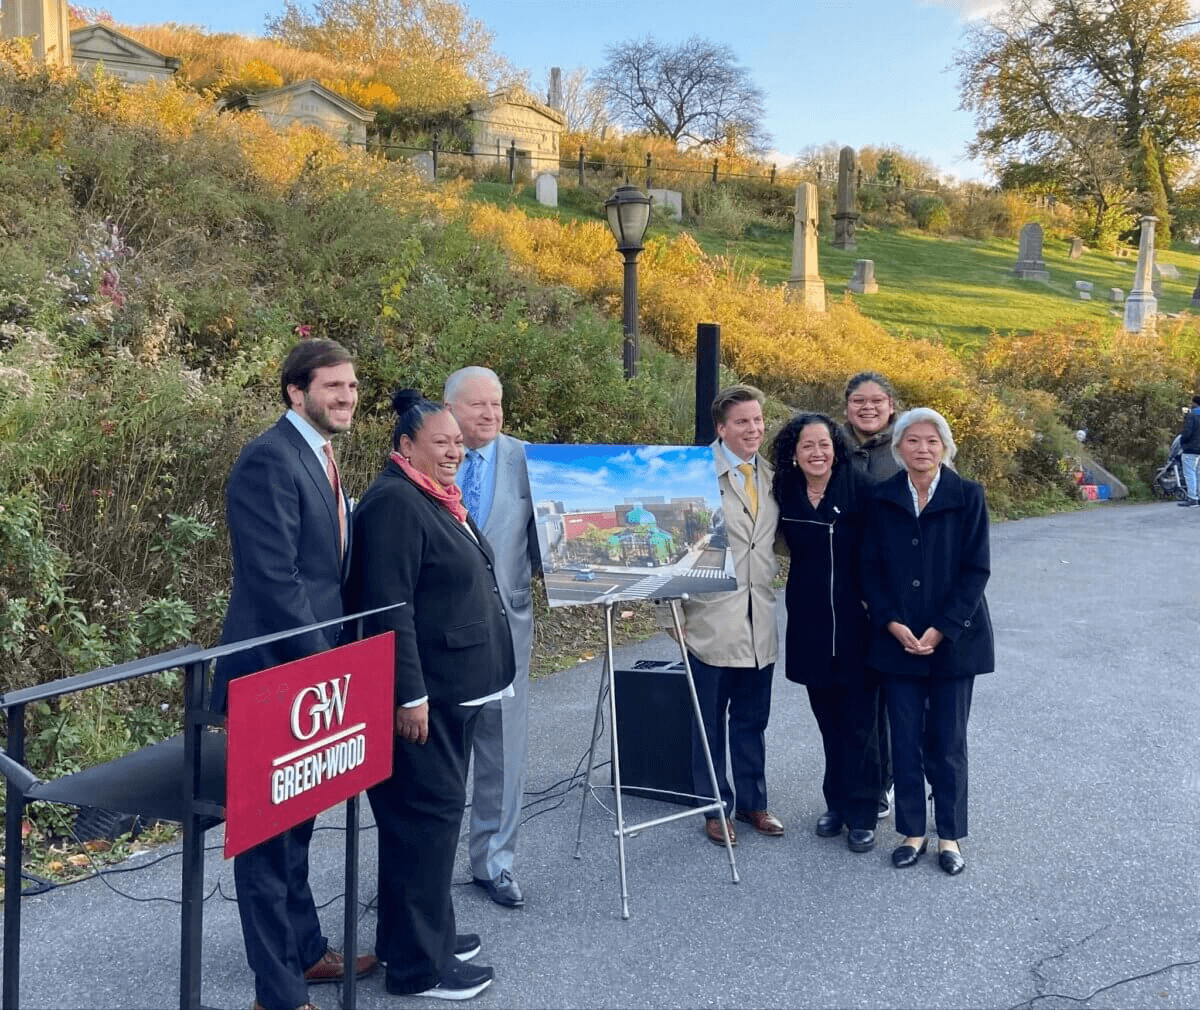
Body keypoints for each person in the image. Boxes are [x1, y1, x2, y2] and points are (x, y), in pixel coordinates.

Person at [214, 338, 378, 1010]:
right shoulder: (268, 459)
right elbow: (276, 581)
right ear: (295, 392)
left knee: (302, 821)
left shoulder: (320, 455)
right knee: (265, 838)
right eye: (332, 387)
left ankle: (307, 951)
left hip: (310, 675)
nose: (346, 397)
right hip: (274, 673)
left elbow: (324, 573)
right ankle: (277, 994)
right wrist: (332, 666)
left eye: (351, 387)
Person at [344, 390, 515, 1000]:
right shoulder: (395, 504)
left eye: (458, 443)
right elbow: (391, 608)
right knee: (426, 821)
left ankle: (411, 937)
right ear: (406, 447)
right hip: (428, 696)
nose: (453, 451)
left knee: (429, 822)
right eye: (440, 442)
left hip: (456, 687)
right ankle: (421, 966)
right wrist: (407, 693)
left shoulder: (428, 498)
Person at [860, 408, 994, 876]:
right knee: (904, 742)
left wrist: (942, 627)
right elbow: (870, 571)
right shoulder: (882, 499)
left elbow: (976, 569)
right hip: (897, 641)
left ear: (945, 448)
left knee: (948, 741)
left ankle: (950, 835)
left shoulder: (967, 496)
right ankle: (912, 831)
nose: (922, 449)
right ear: (898, 449)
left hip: (954, 640)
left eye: (931, 441)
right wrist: (891, 622)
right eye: (912, 441)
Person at [666, 384, 785, 847]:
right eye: (742, 422)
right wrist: (671, 619)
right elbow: (671, 553)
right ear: (721, 428)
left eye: (758, 420)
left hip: (761, 619)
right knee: (710, 721)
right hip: (709, 621)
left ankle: (755, 801)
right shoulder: (694, 478)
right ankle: (715, 808)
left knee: (753, 718)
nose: (754, 429)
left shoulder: (773, 477)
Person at [443, 366, 539, 909]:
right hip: (445, 635)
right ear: (450, 407)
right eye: (477, 405)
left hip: (508, 629)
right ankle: (429, 863)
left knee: (503, 750)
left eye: (497, 405)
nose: (490, 414)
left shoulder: (527, 460)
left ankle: (494, 863)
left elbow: (546, 542)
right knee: (441, 751)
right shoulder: (427, 458)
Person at [772, 412, 880, 853]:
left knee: (861, 726)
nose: (817, 453)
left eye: (824, 444)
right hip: (810, 623)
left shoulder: (862, 489)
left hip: (859, 624)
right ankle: (835, 805)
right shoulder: (785, 492)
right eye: (806, 446)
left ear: (836, 447)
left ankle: (863, 813)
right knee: (828, 724)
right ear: (794, 455)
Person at [842, 371, 901, 822]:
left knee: (893, 696)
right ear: (846, 407)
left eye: (876, 400)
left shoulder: (907, 447)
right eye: (858, 401)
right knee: (856, 695)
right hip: (842, 591)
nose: (867, 407)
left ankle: (888, 782)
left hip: (895, 592)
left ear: (891, 405)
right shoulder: (831, 447)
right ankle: (862, 782)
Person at [1177, 394, 1200, 507]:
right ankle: (1199, 497)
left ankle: (1192, 498)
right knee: (1198, 473)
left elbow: (1187, 433)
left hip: (1191, 448)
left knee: (1190, 473)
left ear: (1195, 403)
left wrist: (1182, 442)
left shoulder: (1192, 415)